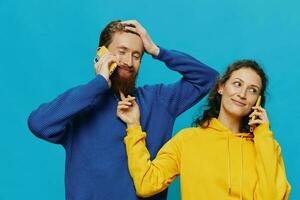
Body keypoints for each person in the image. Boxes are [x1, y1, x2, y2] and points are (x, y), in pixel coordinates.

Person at [27, 19, 218, 200]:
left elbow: (208, 78)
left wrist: (157, 50)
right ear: (102, 53)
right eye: (122, 51)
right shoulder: (81, 106)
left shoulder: (158, 101)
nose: (129, 61)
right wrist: (99, 83)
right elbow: (39, 124)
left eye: (137, 55)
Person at [118, 60, 291, 200]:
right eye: (237, 84)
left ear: (258, 101)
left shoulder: (267, 147)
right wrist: (134, 126)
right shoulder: (187, 140)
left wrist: (262, 135)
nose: (242, 94)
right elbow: (146, 183)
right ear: (221, 87)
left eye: (252, 90)